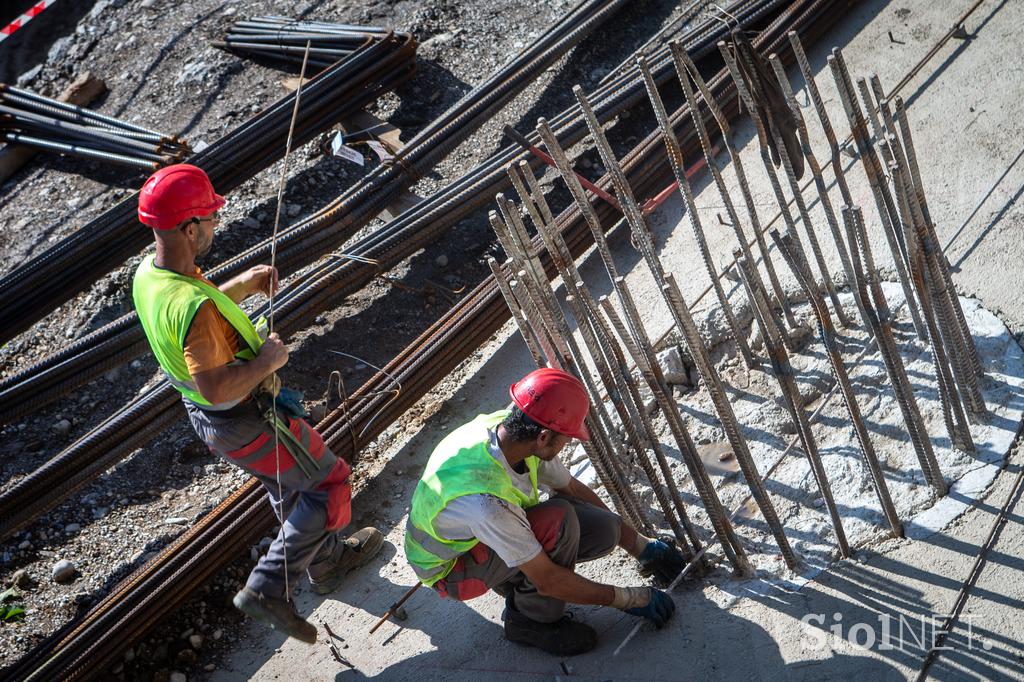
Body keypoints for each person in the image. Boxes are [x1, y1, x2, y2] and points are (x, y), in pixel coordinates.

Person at [131, 164, 383, 644]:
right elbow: (216, 385)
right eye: (208, 219)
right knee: (328, 484)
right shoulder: (194, 309)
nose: (215, 225)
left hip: (216, 425)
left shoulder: (151, 275)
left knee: (289, 484)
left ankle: (327, 564)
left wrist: (242, 285)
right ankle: (267, 588)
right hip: (243, 416)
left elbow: (196, 316)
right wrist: (269, 360)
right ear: (188, 229)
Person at [404, 367, 683, 656]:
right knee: (559, 524)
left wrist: (640, 545)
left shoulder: (515, 431)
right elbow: (548, 579)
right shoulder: (486, 502)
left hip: (481, 536)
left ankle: (516, 579)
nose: (569, 443)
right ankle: (530, 621)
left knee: (604, 529)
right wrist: (627, 599)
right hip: (451, 570)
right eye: (566, 438)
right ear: (544, 437)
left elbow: (572, 489)